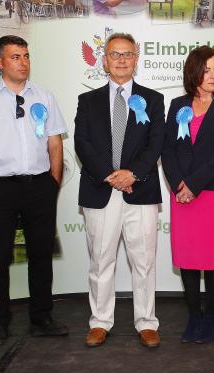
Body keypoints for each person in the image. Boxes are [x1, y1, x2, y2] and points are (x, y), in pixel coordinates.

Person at [0, 35, 68, 346]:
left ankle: (42, 318)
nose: (23, 62)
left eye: (26, 56)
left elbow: (54, 141)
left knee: (40, 256)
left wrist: (53, 182)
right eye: (16, 57)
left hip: (39, 187)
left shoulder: (44, 97)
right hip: (0, 189)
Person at [74, 33, 165, 348]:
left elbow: (156, 143)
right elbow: (82, 144)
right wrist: (111, 176)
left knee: (144, 260)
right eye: (115, 54)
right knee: (101, 261)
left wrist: (134, 174)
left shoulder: (153, 99)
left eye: (128, 54)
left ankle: (147, 322)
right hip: (101, 191)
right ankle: (100, 322)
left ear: (137, 58)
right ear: (105, 60)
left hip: (140, 191)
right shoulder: (88, 101)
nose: (122, 59)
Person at [161, 45, 214, 343]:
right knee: (188, 257)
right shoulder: (177, 104)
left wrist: (193, 185)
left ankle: (211, 316)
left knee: (213, 257)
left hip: (212, 190)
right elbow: (167, 149)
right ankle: (194, 315)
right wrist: (178, 183)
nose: (213, 75)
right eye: (207, 69)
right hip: (181, 192)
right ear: (194, 71)